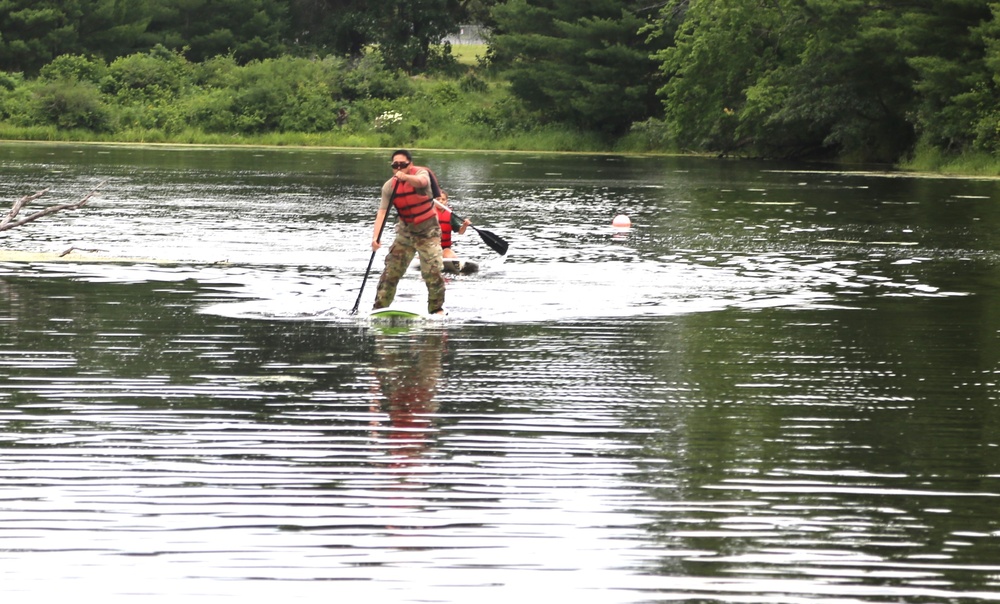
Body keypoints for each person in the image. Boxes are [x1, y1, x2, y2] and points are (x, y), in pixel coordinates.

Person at [371, 149, 446, 314]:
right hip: (405, 233)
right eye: (395, 165)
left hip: (428, 232)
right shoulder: (389, 186)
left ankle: (436, 309)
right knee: (390, 272)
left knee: (432, 272)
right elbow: (382, 212)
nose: (398, 168)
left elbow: (421, 182)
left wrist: (406, 177)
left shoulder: (421, 173)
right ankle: (379, 309)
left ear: (410, 164)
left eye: (402, 165)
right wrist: (375, 238)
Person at [434, 191, 474, 274]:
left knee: (450, 256)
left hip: (444, 248)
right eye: (438, 199)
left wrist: (465, 225)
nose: (441, 201)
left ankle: (454, 266)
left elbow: (460, 231)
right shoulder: (428, 213)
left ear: (446, 201)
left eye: (443, 199)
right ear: (433, 201)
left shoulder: (450, 215)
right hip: (430, 248)